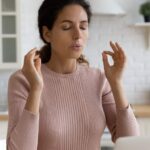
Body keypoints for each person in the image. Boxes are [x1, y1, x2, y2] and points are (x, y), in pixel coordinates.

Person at [6, 0, 140, 150]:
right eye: (66, 27)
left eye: (83, 27)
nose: (78, 35)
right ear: (47, 33)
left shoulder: (99, 80)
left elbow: (131, 142)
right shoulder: (24, 80)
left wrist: (116, 83)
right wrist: (36, 89)